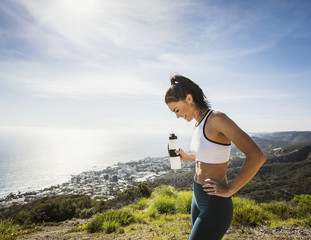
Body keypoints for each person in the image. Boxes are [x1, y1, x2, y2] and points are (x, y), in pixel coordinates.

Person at [165, 75, 266, 240]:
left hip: (215, 203)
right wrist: (186, 157)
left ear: (189, 98)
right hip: (198, 197)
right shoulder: (198, 123)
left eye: (177, 110)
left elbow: (257, 156)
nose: (177, 116)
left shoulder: (217, 119)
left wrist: (230, 189)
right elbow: (208, 157)